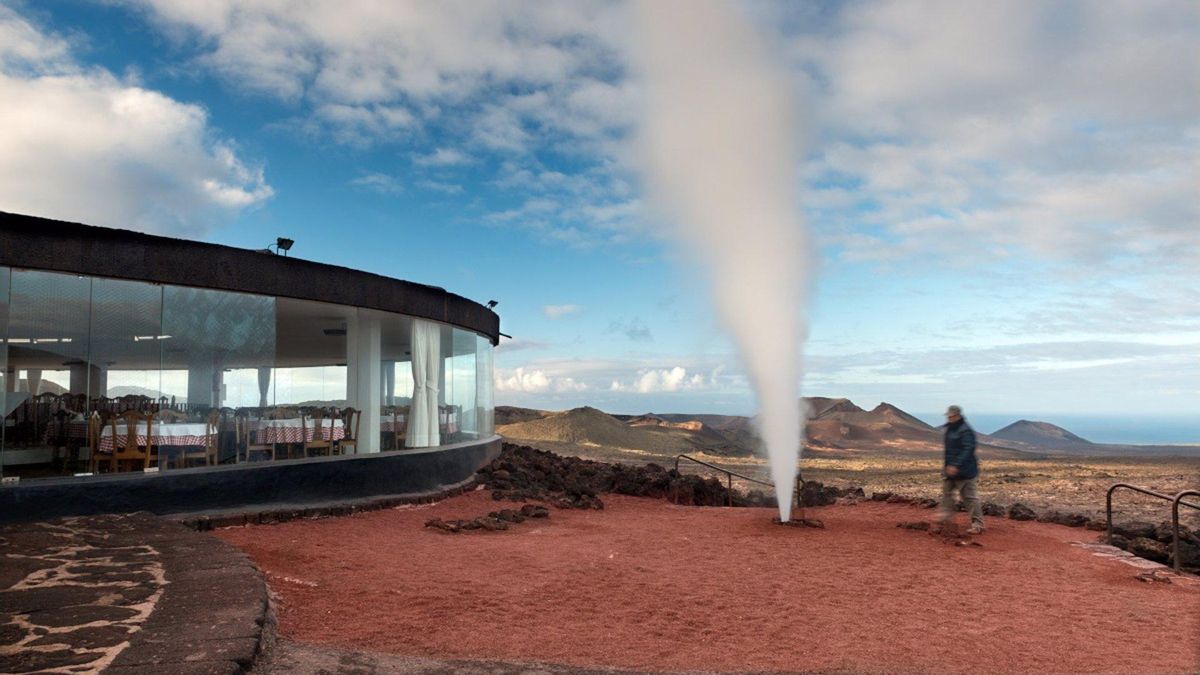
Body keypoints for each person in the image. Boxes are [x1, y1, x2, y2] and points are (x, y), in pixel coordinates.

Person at [934, 404, 984, 534]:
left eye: (951, 416)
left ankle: (978, 524)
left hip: (965, 471)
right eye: (948, 416)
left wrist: (956, 465)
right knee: (947, 494)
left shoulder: (965, 430)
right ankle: (945, 520)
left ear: (957, 415)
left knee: (969, 497)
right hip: (950, 470)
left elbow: (968, 449)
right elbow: (950, 451)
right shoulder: (950, 429)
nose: (949, 418)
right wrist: (948, 467)